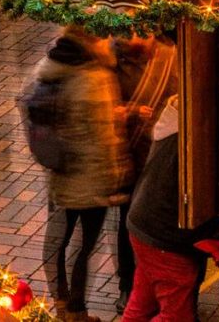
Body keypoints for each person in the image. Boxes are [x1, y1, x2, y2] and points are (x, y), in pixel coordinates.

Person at [24, 30, 130, 319]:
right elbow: (102, 138)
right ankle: (76, 311)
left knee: (58, 240)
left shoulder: (49, 68)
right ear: (94, 40)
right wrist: (115, 176)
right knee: (84, 246)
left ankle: (61, 304)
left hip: (59, 172)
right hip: (89, 179)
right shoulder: (94, 77)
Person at [122, 104, 217, 322]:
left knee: (142, 303)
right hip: (165, 235)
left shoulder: (180, 123)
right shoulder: (197, 137)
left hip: (145, 225)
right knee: (176, 317)